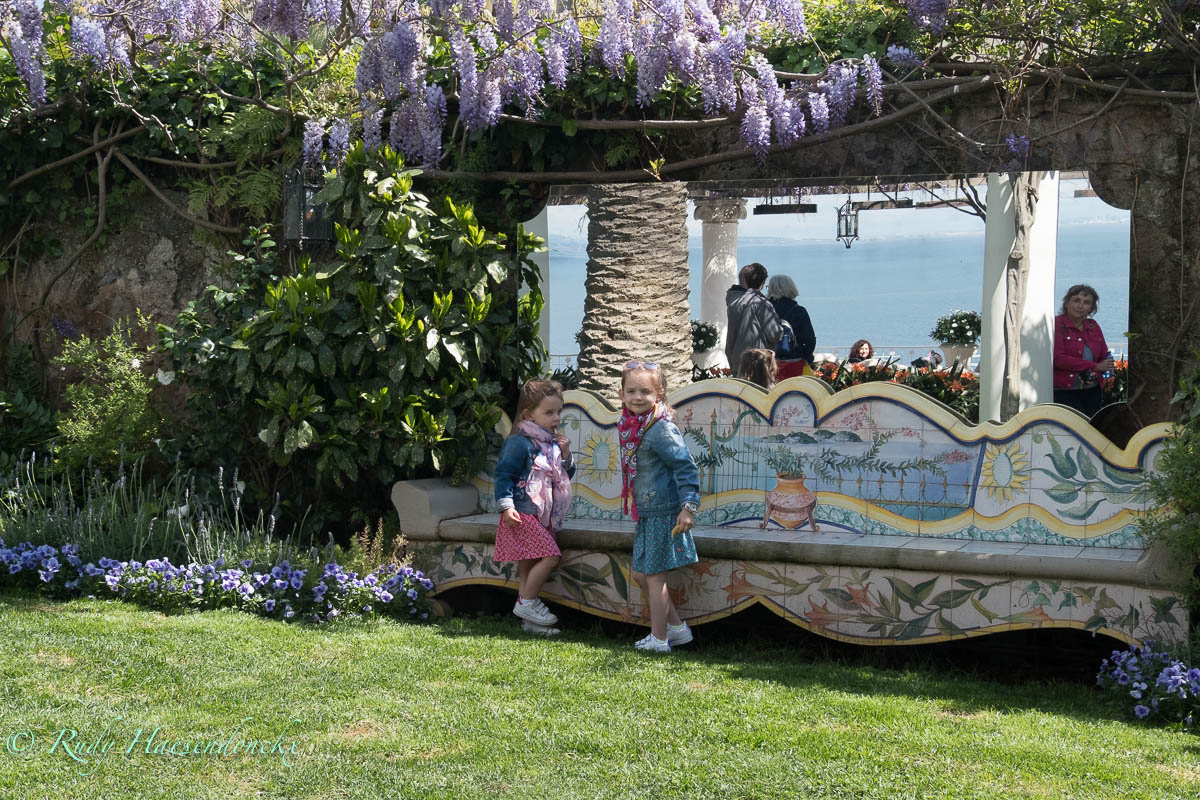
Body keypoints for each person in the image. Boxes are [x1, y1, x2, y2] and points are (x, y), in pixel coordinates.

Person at [618, 360, 701, 653]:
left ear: (659, 394)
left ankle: (659, 638)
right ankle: (677, 629)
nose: (637, 397)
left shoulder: (661, 429)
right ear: (621, 394)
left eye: (645, 391)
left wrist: (687, 507)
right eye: (631, 391)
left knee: (654, 577)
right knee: (642, 574)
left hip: (664, 512)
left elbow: (686, 467)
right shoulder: (632, 426)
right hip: (648, 512)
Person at [493, 379, 575, 629]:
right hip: (522, 513)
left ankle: (529, 623)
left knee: (529, 562)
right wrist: (507, 507)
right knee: (551, 557)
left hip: (543, 514)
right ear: (529, 414)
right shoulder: (518, 442)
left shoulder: (551, 443)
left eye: (559, 412)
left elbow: (565, 475)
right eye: (549, 412)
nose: (556, 418)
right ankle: (527, 602)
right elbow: (503, 475)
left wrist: (566, 454)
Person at [1053, 283, 1115, 417]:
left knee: (1092, 425)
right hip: (1065, 392)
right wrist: (1094, 366)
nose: (1080, 306)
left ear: (1092, 308)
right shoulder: (1057, 324)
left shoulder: (1093, 326)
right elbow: (1058, 359)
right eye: (1076, 300)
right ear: (1067, 303)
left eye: (1086, 303)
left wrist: (1102, 371)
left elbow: (1105, 355)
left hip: (1093, 391)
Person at [725, 262, 784, 377]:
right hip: (758, 362)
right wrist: (782, 326)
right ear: (763, 281)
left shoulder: (734, 302)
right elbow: (774, 334)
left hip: (737, 361)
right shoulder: (761, 304)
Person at [765, 274, 816, 380]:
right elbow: (809, 339)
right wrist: (807, 357)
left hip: (769, 362)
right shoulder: (799, 311)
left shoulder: (764, 309)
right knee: (793, 389)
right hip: (794, 361)